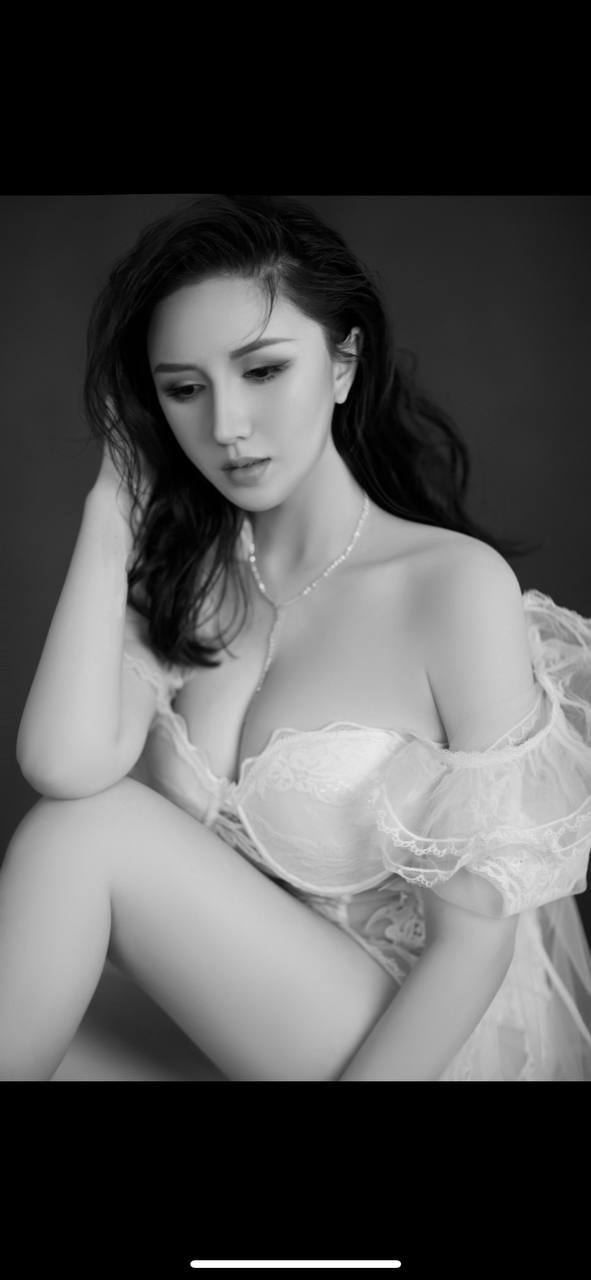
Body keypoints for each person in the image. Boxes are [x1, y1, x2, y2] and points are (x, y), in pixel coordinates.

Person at [4, 193, 591, 1082]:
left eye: (263, 371)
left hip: (409, 1037)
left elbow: (472, 947)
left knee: (82, 839)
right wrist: (108, 513)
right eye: (184, 389)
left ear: (343, 363)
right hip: (242, 1021)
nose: (226, 427)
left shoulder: (451, 587)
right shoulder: (183, 576)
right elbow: (63, 765)